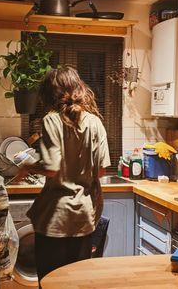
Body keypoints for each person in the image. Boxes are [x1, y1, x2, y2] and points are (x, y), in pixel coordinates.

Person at [16, 65, 110, 286]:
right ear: (79, 87)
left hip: (55, 219)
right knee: (77, 283)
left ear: (50, 94)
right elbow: (102, 171)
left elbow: (50, 168)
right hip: (83, 218)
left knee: (50, 282)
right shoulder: (95, 122)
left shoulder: (51, 120)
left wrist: (26, 165)